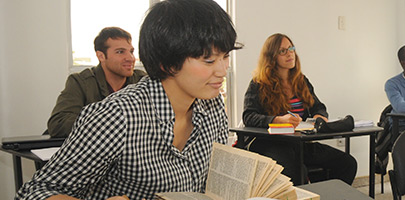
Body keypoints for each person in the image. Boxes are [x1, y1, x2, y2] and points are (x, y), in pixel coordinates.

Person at [16, 0, 240, 199]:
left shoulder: (213, 106)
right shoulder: (117, 116)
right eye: (209, 60)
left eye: (226, 56)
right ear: (167, 63)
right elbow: (35, 192)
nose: (223, 70)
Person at [242, 33, 357, 185]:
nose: (290, 53)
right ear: (271, 57)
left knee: (347, 163)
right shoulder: (259, 83)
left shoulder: (301, 80)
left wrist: (319, 117)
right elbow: (249, 116)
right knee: (295, 172)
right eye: (283, 51)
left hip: (300, 142)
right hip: (272, 144)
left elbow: (318, 106)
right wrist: (278, 120)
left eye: (291, 48)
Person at [47, 27, 146, 138]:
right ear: (101, 56)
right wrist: (111, 123)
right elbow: (58, 123)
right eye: (120, 52)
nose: (130, 58)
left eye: (131, 52)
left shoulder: (142, 81)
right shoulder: (80, 82)